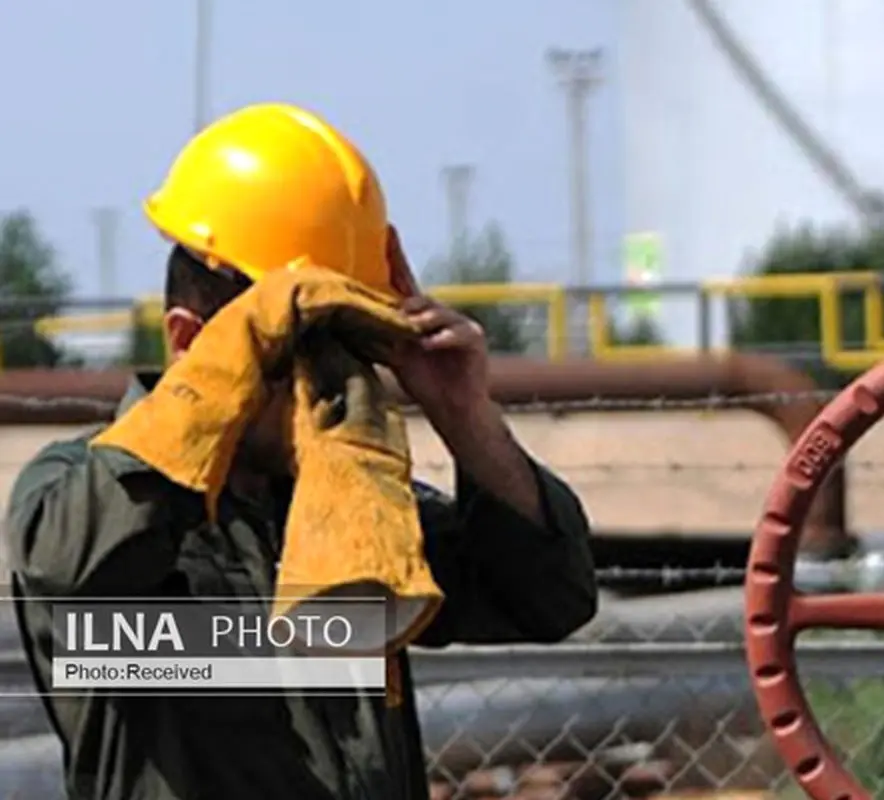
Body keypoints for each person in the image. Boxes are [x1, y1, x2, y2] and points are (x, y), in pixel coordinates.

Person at [4, 103, 598, 800]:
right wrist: (227, 379)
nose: (333, 382)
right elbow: (71, 572)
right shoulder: (80, 496)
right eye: (301, 349)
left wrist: (464, 415)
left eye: (349, 349)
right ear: (192, 343)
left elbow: (546, 597)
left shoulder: (345, 511)